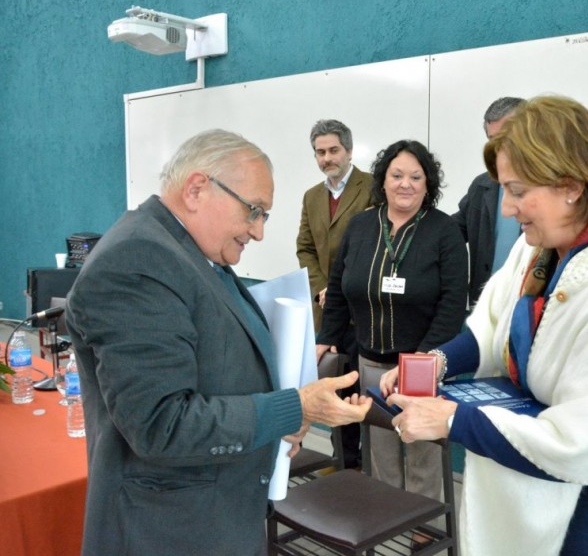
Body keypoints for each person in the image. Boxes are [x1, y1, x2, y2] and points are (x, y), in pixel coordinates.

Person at [380, 97, 588, 555]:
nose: (507, 208)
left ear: (572, 187)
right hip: (551, 477)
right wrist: (439, 361)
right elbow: (492, 330)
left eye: (519, 191)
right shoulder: (538, 251)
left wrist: (452, 418)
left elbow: (581, 444)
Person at [65, 129, 372, 556]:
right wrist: (294, 407)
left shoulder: (187, 252)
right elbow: (161, 423)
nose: (259, 231)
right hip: (168, 532)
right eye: (254, 211)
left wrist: (279, 420)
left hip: (210, 517)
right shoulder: (137, 261)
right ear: (196, 189)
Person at [317, 139, 467, 500]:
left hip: (421, 365)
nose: (406, 184)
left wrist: (422, 361)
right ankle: (387, 516)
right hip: (369, 362)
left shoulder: (444, 231)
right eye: (397, 175)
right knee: (379, 449)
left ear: (428, 184)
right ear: (382, 180)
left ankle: (424, 526)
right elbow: (337, 289)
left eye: (416, 177)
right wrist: (326, 336)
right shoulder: (360, 226)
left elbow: (452, 306)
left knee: (422, 451)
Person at [295, 118, 372, 469]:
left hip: (364, 309)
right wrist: (321, 288)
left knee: (361, 386)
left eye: (333, 150)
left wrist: (339, 287)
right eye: (319, 152)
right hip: (326, 310)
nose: (327, 158)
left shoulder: (373, 188)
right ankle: (342, 461)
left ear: (349, 150)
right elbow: (305, 248)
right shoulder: (312, 196)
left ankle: (364, 464)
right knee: (333, 385)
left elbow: (376, 246)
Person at [453, 96, 525, 309]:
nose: (499, 147)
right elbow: (455, 228)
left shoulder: (557, 188)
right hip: (486, 306)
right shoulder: (482, 185)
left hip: (533, 307)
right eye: (493, 139)